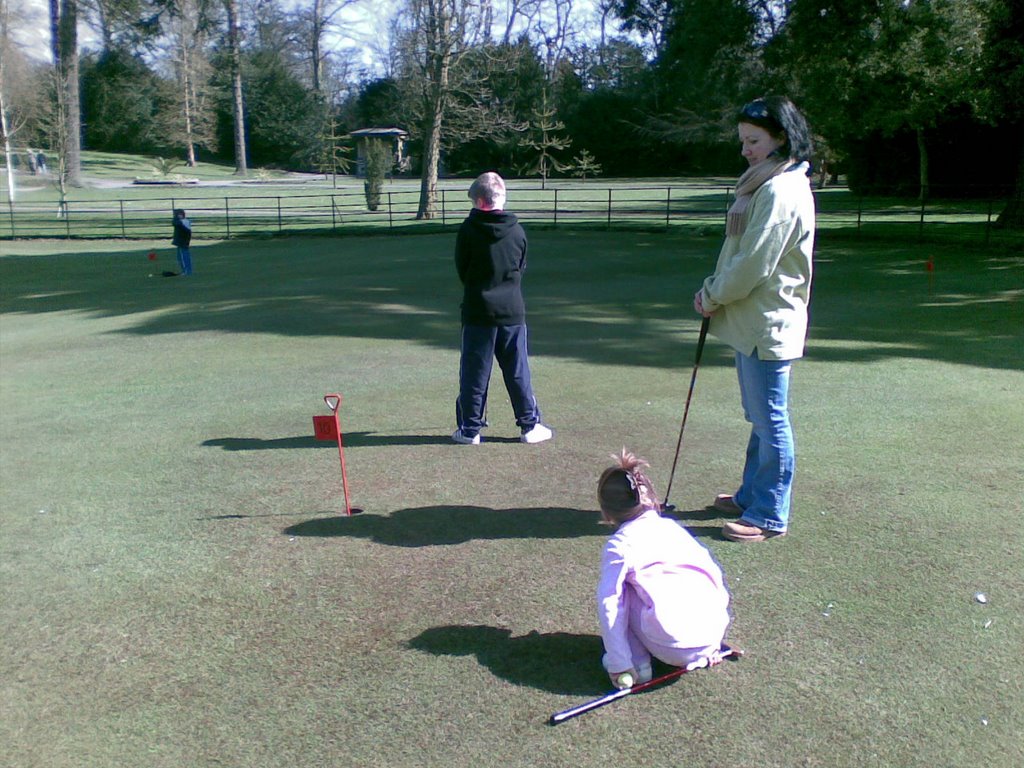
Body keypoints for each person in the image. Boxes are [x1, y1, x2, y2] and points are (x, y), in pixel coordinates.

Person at [693, 96, 816, 543]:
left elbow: (753, 264)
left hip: (769, 322)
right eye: (743, 140)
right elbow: (742, 256)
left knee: (770, 418)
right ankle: (752, 494)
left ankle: (768, 513)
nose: (745, 149)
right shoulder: (765, 183)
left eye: (754, 141)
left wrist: (712, 294)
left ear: (780, 139)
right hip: (753, 321)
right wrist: (715, 291)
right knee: (759, 415)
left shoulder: (781, 190)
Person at [596, 449, 731, 689]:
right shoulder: (673, 529)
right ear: (651, 499)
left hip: (671, 645)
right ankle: (700, 644)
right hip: (712, 636)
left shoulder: (620, 544)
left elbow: (609, 603)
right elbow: (714, 575)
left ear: (606, 513)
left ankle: (637, 664)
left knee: (620, 591)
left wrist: (618, 662)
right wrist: (712, 640)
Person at [452, 171, 552, 445]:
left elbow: (463, 268)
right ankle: (529, 426)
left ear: (480, 201)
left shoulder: (468, 230)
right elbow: (520, 267)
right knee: (518, 370)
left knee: (474, 371)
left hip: (477, 311)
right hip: (511, 310)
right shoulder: (517, 231)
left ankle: (470, 430)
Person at [172, 208, 193, 276]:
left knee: (183, 257)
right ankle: (186, 270)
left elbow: (175, 223)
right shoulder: (183, 221)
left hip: (182, 242)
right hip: (182, 242)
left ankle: (186, 271)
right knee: (181, 257)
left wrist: (175, 218)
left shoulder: (184, 221)